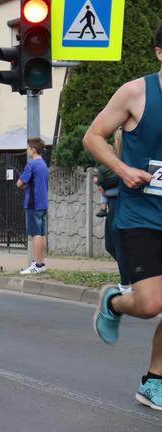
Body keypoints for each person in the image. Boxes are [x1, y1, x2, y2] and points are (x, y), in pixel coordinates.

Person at [83, 22, 162, 411]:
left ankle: (154, 381)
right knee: (150, 305)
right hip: (141, 214)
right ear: (160, 53)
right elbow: (93, 136)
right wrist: (123, 169)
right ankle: (115, 302)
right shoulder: (136, 92)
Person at [99, 128, 131, 294]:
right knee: (110, 245)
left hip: (121, 204)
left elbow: (120, 178)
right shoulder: (117, 160)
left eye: (116, 140)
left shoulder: (129, 158)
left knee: (118, 245)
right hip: (113, 204)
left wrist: (104, 185)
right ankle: (132, 278)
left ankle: (126, 284)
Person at [16, 137, 49, 275]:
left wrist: (24, 185)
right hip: (43, 203)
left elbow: (20, 183)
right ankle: (41, 263)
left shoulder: (32, 164)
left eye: (28, 148)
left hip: (33, 204)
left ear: (33, 150)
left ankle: (36, 264)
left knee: (35, 234)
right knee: (42, 234)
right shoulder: (44, 164)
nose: (27, 150)